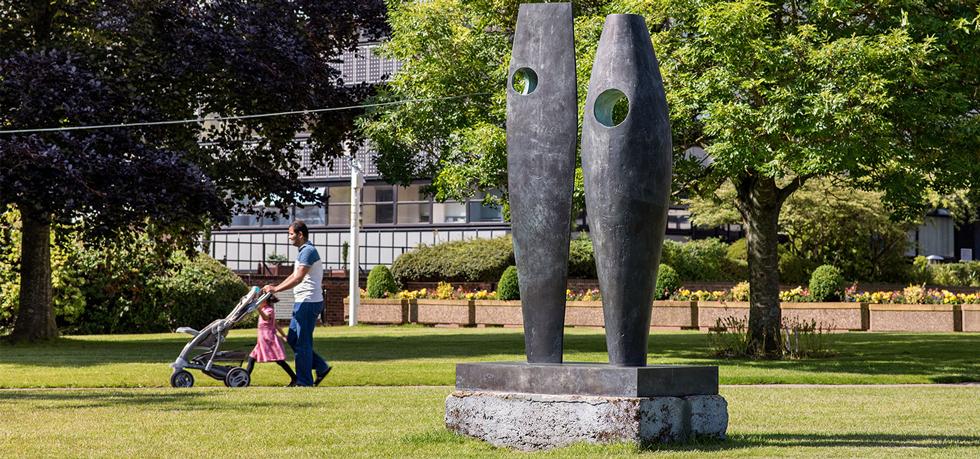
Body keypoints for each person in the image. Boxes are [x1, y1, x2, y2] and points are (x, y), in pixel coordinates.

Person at [262, 220, 332, 387]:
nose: (289, 237)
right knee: (293, 339)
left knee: (302, 343)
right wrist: (275, 287)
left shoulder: (308, 251)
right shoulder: (303, 251)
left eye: (291, 234)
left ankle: (304, 381)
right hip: (302, 302)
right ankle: (321, 367)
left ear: (300, 235)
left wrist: (276, 289)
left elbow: (299, 278)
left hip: (308, 301)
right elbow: (294, 276)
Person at [245, 295, 297, 386]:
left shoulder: (269, 310)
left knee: (279, 361)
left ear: (265, 301)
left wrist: (258, 309)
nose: (259, 303)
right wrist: (284, 335)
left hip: (269, 339)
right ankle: (244, 380)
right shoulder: (264, 309)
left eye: (260, 301)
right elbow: (275, 324)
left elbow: (266, 318)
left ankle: (295, 378)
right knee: (251, 359)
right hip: (262, 340)